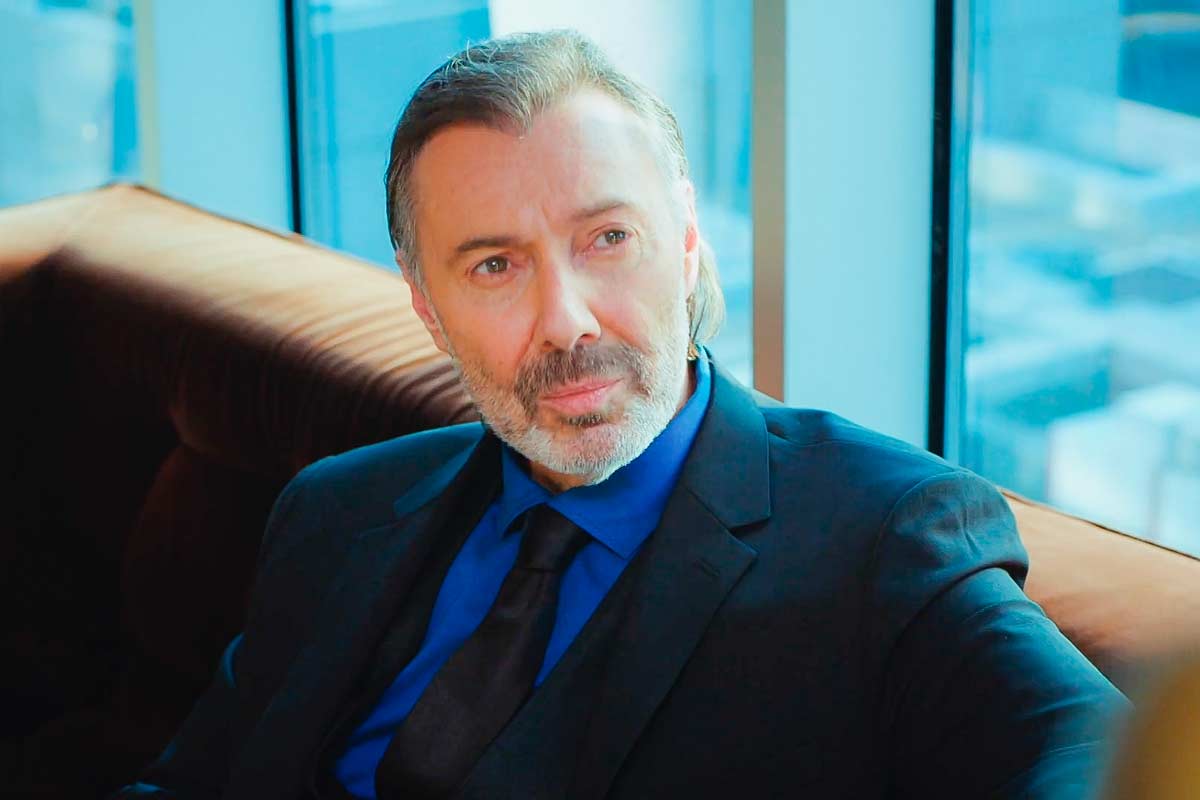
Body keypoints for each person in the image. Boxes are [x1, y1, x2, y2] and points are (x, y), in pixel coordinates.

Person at [116, 30, 1127, 800]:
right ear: (426, 305)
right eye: (495, 265)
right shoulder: (334, 510)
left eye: (607, 238)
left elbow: (1112, 762)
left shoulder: (889, 535)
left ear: (685, 245)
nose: (567, 321)